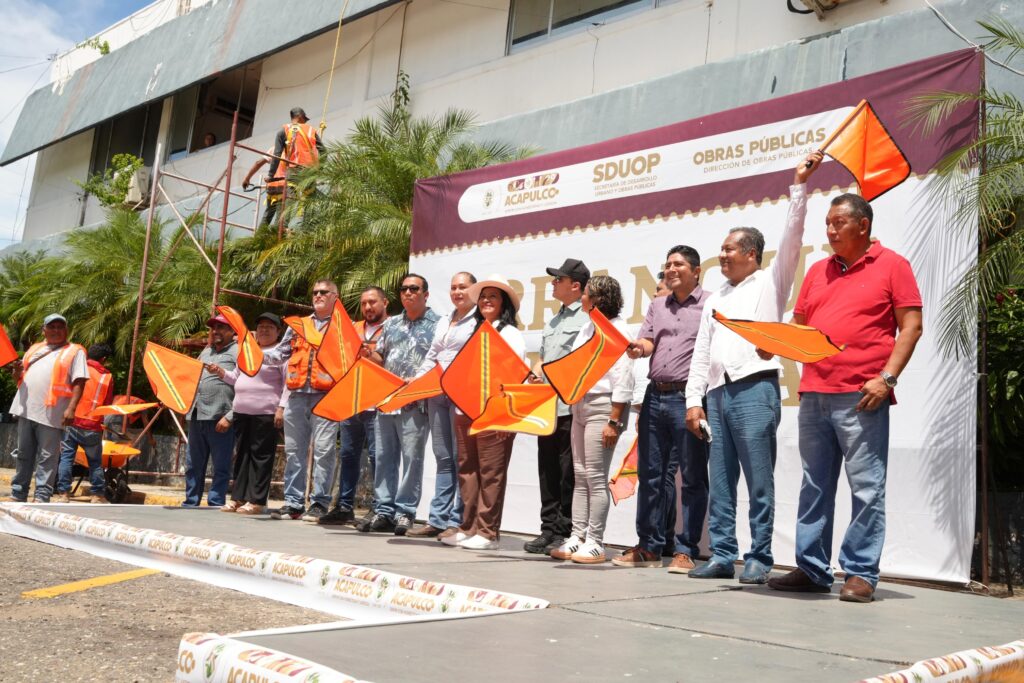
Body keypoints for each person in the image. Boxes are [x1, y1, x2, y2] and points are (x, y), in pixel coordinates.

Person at [767, 193, 923, 603]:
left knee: (867, 487)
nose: (831, 230)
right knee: (814, 485)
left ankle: (860, 572)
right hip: (814, 393)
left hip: (861, 396)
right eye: (828, 223)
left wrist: (887, 379)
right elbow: (800, 326)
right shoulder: (818, 270)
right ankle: (812, 568)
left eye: (839, 223)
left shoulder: (893, 265)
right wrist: (772, 343)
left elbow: (911, 326)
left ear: (863, 225)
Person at [684, 152, 821, 583]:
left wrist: (799, 186)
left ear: (751, 253)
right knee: (721, 481)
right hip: (717, 395)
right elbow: (701, 352)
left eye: (728, 249)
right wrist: (693, 401)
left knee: (759, 479)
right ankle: (723, 554)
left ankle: (759, 556)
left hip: (755, 390)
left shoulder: (770, 282)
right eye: (722, 249)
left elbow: (793, 237)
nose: (721, 255)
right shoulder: (716, 297)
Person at [614, 247, 709, 571]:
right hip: (655, 396)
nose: (671, 269)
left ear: (696, 271)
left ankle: (686, 550)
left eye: (678, 264)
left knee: (693, 476)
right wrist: (638, 348)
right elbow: (648, 340)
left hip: (688, 399)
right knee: (650, 475)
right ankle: (649, 546)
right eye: (668, 264)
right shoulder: (657, 305)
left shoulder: (711, 304)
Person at [550, 275, 634, 564]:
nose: (582, 297)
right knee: (580, 474)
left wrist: (614, 420)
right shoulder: (587, 327)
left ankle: (595, 541)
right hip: (580, 404)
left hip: (605, 406)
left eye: (586, 293)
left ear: (599, 299)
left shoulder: (618, 329)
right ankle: (577, 536)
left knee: (596, 477)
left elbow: (624, 377)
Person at [443, 275, 527, 550]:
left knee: (491, 473)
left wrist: (503, 415)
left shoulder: (511, 334)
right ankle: (468, 527)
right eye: (483, 297)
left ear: (504, 303)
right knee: (467, 470)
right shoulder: (473, 331)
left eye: (493, 296)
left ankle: (488, 533)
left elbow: (515, 376)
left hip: (495, 413)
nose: (486, 301)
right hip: (465, 410)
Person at [358, 274, 439, 535]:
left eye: (414, 288)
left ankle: (405, 512)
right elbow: (381, 357)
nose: (408, 293)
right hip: (387, 400)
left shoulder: (439, 324)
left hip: (416, 402)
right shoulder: (391, 324)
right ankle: (384, 510)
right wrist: (367, 354)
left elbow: (442, 363)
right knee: (384, 458)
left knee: (412, 459)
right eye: (403, 289)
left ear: (425, 294)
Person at [524, 258, 590, 555]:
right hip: (547, 408)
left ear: (575, 286)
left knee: (567, 474)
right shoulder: (554, 319)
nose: (553, 283)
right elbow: (543, 359)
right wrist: (534, 373)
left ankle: (565, 531)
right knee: (547, 471)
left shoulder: (586, 318)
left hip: (570, 407)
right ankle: (548, 529)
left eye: (558, 279)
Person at [262, 279, 342, 521]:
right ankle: (293, 503)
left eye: (324, 292)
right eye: (315, 292)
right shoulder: (298, 325)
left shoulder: (342, 326)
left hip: (327, 397)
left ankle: (319, 503)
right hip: (296, 396)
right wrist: (255, 354)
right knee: (294, 452)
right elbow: (280, 354)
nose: (318, 295)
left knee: (324, 451)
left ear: (335, 297)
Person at [407, 272, 478, 538]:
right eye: (453, 287)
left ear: (474, 290)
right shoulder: (446, 319)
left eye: (463, 287)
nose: (457, 292)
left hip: (462, 394)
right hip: (437, 394)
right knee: (443, 457)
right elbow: (433, 354)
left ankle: (457, 520)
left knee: (461, 458)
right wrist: (418, 380)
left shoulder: (479, 320)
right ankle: (437, 519)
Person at [320, 286, 390, 526]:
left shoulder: (392, 327)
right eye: (364, 303)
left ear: (385, 303)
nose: (368, 307)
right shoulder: (353, 328)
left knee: (377, 456)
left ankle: (379, 508)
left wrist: (370, 354)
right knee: (348, 455)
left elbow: (393, 362)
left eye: (373, 302)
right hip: (351, 399)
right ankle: (344, 507)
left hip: (377, 401)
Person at [209, 313, 289, 515]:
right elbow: (236, 377)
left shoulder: (282, 354)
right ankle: (238, 498)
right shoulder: (247, 351)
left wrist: (281, 408)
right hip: (242, 411)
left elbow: (288, 383)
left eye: (269, 327)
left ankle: (257, 501)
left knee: (261, 457)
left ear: (278, 332)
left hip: (266, 412)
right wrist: (220, 372)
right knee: (242, 455)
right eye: (261, 326)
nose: (264, 330)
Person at [5, 314, 88, 503]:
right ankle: (18, 494)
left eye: (60, 327)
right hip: (26, 409)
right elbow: (20, 377)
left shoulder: (75, 351)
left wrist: (71, 408)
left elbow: (80, 381)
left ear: (66, 330)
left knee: (47, 457)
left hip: (52, 412)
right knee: (23, 454)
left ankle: (42, 496)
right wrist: (16, 371)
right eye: (52, 327)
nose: (56, 330)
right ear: (44, 330)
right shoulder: (35, 349)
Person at [185, 314, 238, 507]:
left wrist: (230, 416)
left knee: (221, 467)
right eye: (214, 328)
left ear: (232, 331)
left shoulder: (239, 351)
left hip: (220, 417)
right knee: (192, 465)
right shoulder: (206, 351)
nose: (216, 331)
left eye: (221, 327)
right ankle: (191, 502)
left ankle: (216, 503)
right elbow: (191, 378)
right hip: (197, 415)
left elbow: (246, 386)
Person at [53, 343, 115, 504]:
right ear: (103, 359)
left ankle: (64, 494)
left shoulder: (78, 369)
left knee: (66, 458)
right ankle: (97, 496)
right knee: (95, 463)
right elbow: (107, 403)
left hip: (71, 420)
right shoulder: (107, 376)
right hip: (92, 425)